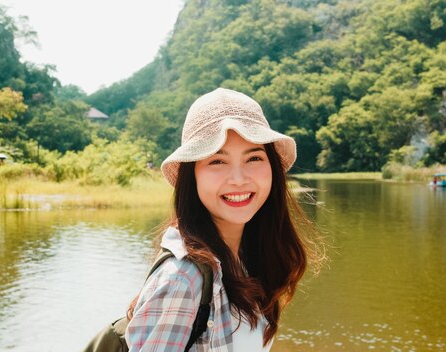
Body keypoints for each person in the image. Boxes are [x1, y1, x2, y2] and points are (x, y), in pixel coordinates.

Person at [125, 88, 324, 351]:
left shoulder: (246, 256)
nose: (239, 179)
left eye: (254, 158)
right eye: (217, 161)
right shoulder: (183, 279)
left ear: (272, 168)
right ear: (192, 176)